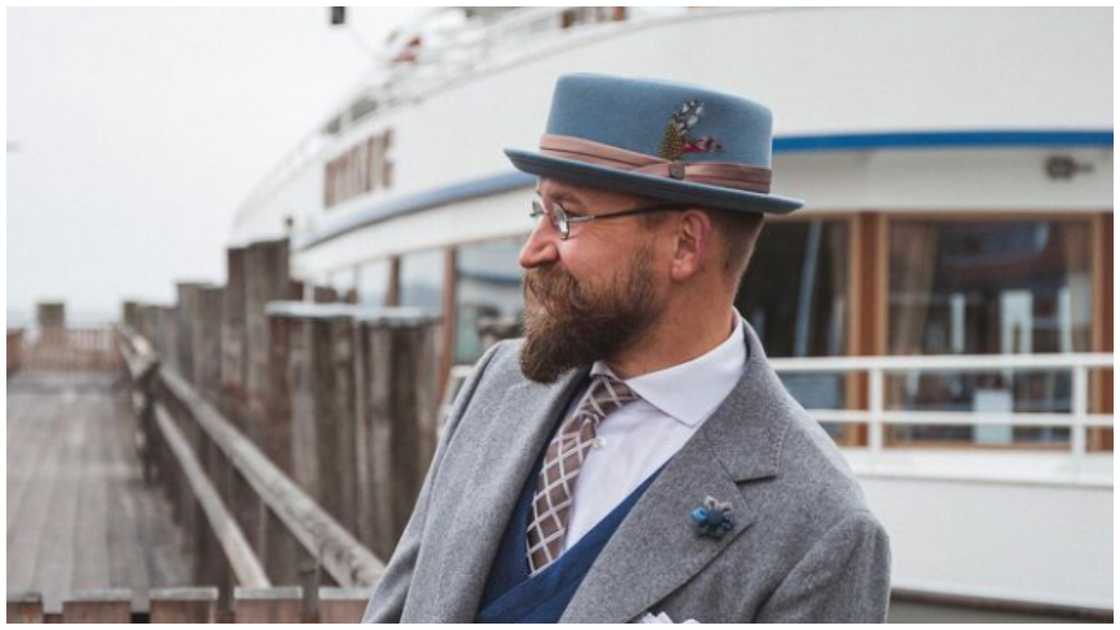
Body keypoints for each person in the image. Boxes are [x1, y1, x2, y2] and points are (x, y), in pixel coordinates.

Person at [361, 73, 891, 623]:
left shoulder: (823, 528)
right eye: (536, 212)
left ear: (685, 245)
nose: (531, 250)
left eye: (566, 216)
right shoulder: (498, 382)